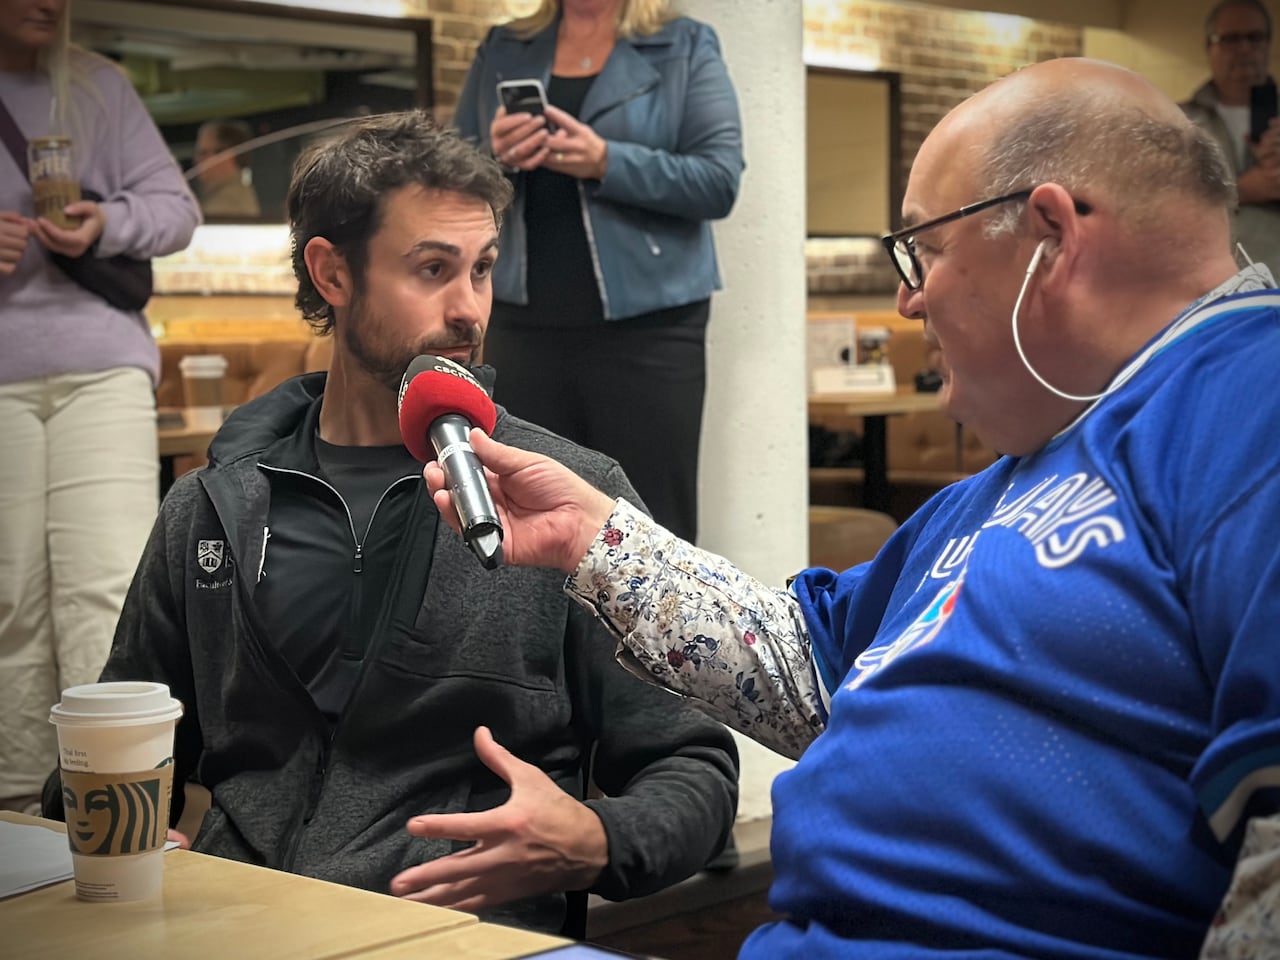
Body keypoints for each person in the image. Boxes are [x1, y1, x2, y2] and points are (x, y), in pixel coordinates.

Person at [426, 57, 1280, 958]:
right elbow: (808, 669)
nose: (908, 299)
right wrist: (596, 538)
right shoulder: (1019, 466)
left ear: (1050, 236)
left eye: (925, 250)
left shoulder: (1248, 400)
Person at [42, 110, 738, 936]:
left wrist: (595, 837)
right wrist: (120, 826)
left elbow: (692, 768)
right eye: (432, 269)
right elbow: (106, 745)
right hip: (232, 929)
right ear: (331, 273)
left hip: (458, 938)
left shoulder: (571, 496)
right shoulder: (212, 505)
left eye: (480, 269)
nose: (468, 307)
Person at [0, 0, 200, 815]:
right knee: (8, 596)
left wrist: (105, 222)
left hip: (102, 370)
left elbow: (177, 212)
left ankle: (111, 800)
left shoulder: (97, 87)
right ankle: (19, 806)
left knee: (110, 593)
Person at [452, 0, 744, 545]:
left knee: (654, 522)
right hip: (522, 319)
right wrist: (497, 156)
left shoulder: (684, 44)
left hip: (651, 327)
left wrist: (607, 160)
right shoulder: (504, 46)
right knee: (525, 512)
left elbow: (718, 179)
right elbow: (452, 173)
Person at [1181, 0, 1280, 275]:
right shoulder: (1177, 121)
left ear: (1268, 45)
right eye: (1231, 39)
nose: (1245, 49)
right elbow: (1159, 203)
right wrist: (1244, 190)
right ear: (1209, 47)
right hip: (1203, 283)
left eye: (1254, 38)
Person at [192, 118, 261, 219]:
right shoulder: (222, 195)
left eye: (203, 153)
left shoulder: (229, 202)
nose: (197, 160)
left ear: (227, 156)